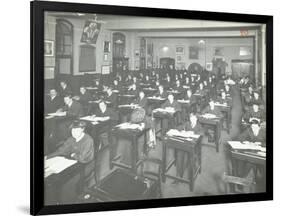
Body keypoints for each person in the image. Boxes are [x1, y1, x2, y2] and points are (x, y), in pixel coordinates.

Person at [174, 113, 203, 183]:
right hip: (185, 144)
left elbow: (202, 133)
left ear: (196, 119)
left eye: (193, 118)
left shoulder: (199, 126)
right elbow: (178, 128)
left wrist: (193, 133)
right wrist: (181, 130)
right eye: (190, 118)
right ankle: (178, 175)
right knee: (179, 154)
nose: (191, 120)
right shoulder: (187, 123)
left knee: (188, 157)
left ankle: (190, 176)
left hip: (194, 146)